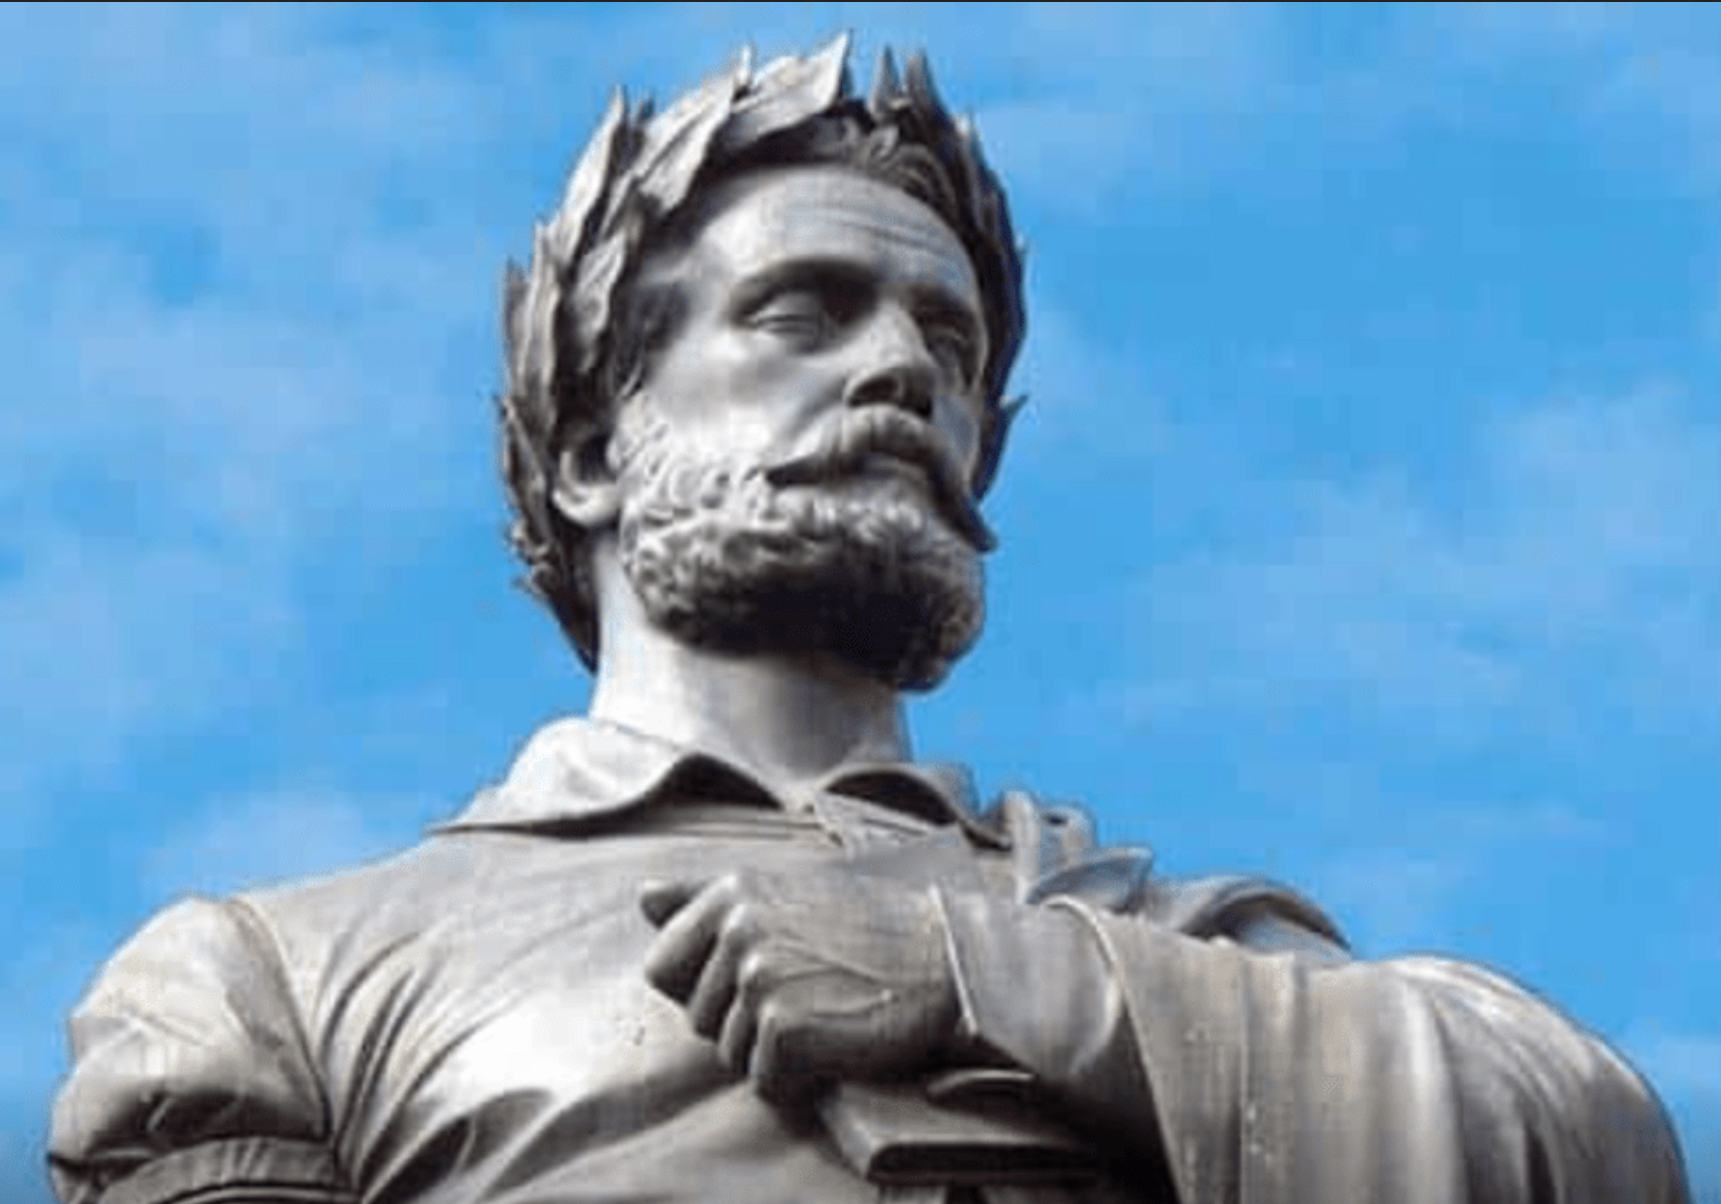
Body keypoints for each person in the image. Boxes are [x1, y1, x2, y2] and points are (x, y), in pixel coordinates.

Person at [47, 36, 1692, 1204]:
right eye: (805, 314)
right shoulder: (273, 977)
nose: (908, 372)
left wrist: (987, 977)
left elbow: (1593, 1145)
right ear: (596, 453)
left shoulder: (1143, 937)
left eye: (952, 351)